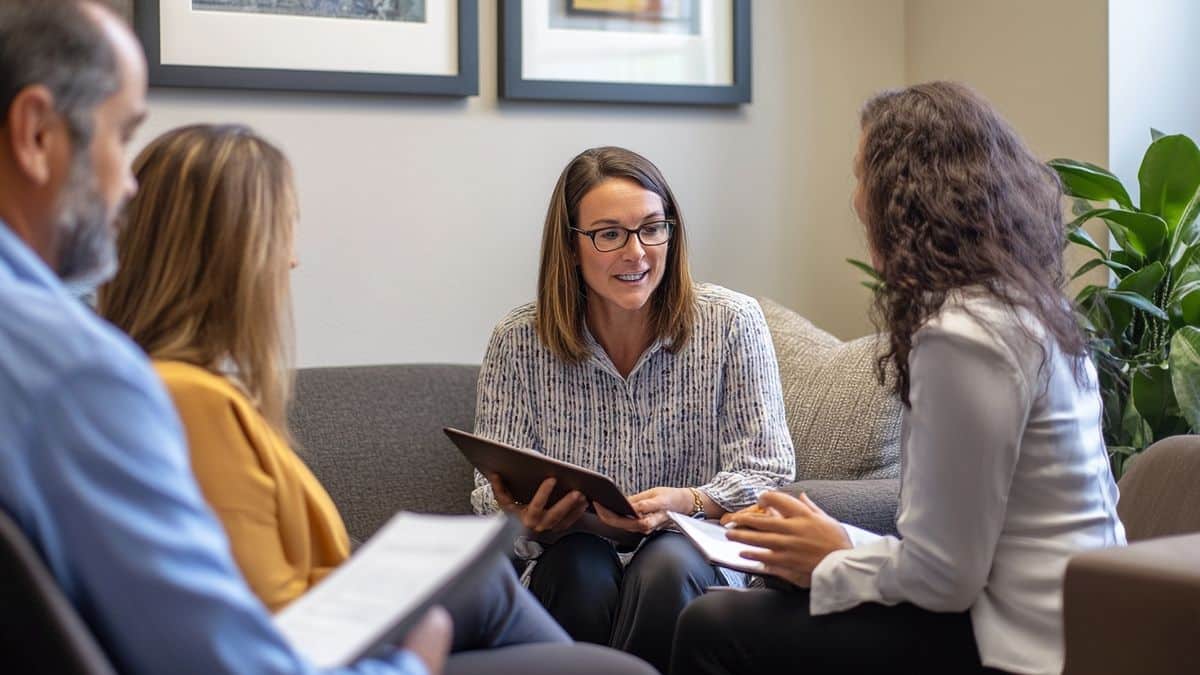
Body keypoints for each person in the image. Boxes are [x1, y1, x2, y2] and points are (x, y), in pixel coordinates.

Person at [0, 3, 652, 675]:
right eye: (121, 136)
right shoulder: (110, 380)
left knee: (488, 583)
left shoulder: (96, 363)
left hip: (318, 627)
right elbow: (246, 639)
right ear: (35, 134)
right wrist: (413, 651)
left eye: (650, 228)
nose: (292, 261)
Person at [96, 122, 657, 675]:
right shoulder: (192, 402)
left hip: (338, 622)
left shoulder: (165, 387)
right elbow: (274, 622)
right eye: (284, 231)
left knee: (489, 587)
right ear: (231, 253)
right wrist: (419, 639)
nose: (291, 260)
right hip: (326, 649)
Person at [669, 82, 1127, 675]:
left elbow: (947, 580)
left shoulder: (964, 338)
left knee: (714, 627)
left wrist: (833, 554)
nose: (857, 201)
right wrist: (834, 543)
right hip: (1074, 612)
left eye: (863, 177)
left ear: (905, 197)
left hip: (1023, 641)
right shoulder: (1027, 306)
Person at [471, 145, 796, 672]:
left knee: (666, 562)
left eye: (652, 228)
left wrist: (691, 500)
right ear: (571, 246)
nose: (637, 252)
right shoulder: (518, 341)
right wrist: (524, 518)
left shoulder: (732, 323)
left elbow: (770, 472)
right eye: (609, 234)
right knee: (579, 566)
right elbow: (488, 494)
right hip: (569, 556)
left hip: (692, 554)